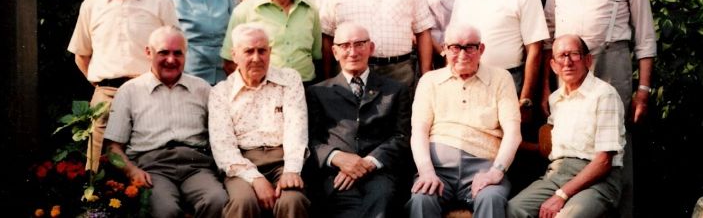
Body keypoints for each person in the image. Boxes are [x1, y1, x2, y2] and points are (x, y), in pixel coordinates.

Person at [543, 0, 657, 217]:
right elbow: (550, 24)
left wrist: (643, 91)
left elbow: (645, 37)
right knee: (568, 139)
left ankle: (621, 213)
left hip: (610, 61)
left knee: (615, 146)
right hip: (566, 64)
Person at [67, 0, 178, 169]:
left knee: (152, 170)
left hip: (150, 95)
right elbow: (81, 54)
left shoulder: (159, 1)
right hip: (105, 97)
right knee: (98, 172)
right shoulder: (92, 3)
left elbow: (174, 53)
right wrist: (102, 86)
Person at [104, 27, 227, 218]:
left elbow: (221, 137)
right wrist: (132, 171)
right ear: (148, 52)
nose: (171, 60)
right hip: (152, 168)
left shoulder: (202, 89)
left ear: (186, 54)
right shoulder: (130, 91)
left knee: (217, 200)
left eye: (177, 53)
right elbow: (113, 149)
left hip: (196, 166)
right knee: (164, 211)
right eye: (163, 52)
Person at [406, 23, 521, 218]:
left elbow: (513, 134)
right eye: (455, 47)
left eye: (470, 47)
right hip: (438, 169)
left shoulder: (501, 78)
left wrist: (496, 172)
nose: (462, 54)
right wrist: (426, 171)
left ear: (481, 49)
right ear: (444, 49)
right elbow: (418, 132)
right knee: (421, 198)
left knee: (491, 198)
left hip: (484, 167)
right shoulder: (429, 81)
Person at [506, 35, 625, 218]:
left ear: (587, 59)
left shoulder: (604, 95)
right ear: (553, 65)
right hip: (557, 174)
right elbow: (548, 149)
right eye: (561, 56)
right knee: (514, 209)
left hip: (598, 179)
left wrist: (562, 194)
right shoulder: (556, 100)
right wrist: (510, 141)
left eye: (574, 54)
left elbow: (603, 161)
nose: (567, 62)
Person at [306, 22, 411, 218]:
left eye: (359, 44)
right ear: (335, 52)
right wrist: (337, 158)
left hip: (380, 172)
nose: (352, 52)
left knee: (382, 204)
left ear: (371, 48)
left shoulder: (395, 90)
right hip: (336, 175)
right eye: (345, 46)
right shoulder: (317, 92)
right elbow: (311, 140)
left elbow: (401, 136)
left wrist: (368, 162)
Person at [209, 24, 310, 218]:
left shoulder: (289, 79)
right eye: (248, 51)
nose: (256, 58)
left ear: (270, 52)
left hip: (283, 160)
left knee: (292, 200)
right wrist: (255, 179)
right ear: (234, 55)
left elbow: (296, 129)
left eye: (262, 51)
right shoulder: (221, 92)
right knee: (242, 202)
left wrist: (291, 170)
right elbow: (223, 147)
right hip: (242, 163)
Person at [223, 0, 322, 84]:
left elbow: (318, 57)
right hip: (264, 90)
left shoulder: (310, 10)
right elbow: (229, 62)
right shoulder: (244, 12)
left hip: (307, 89)